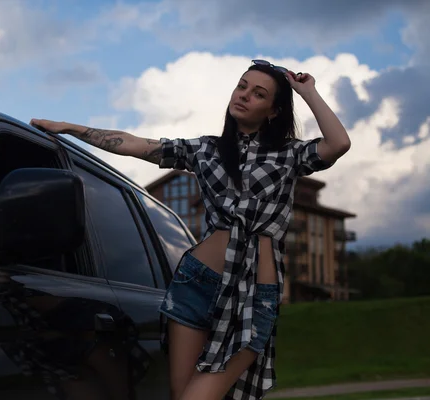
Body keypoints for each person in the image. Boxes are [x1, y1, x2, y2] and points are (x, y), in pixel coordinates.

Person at [30, 59, 351, 400]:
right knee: (180, 391)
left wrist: (307, 91)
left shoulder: (288, 155)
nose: (243, 95)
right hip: (196, 282)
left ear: (273, 111)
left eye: (258, 94)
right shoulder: (205, 150)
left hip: (253, 289)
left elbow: (338, 143)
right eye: (242, 86)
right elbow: (135, 144)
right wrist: (68, 128)